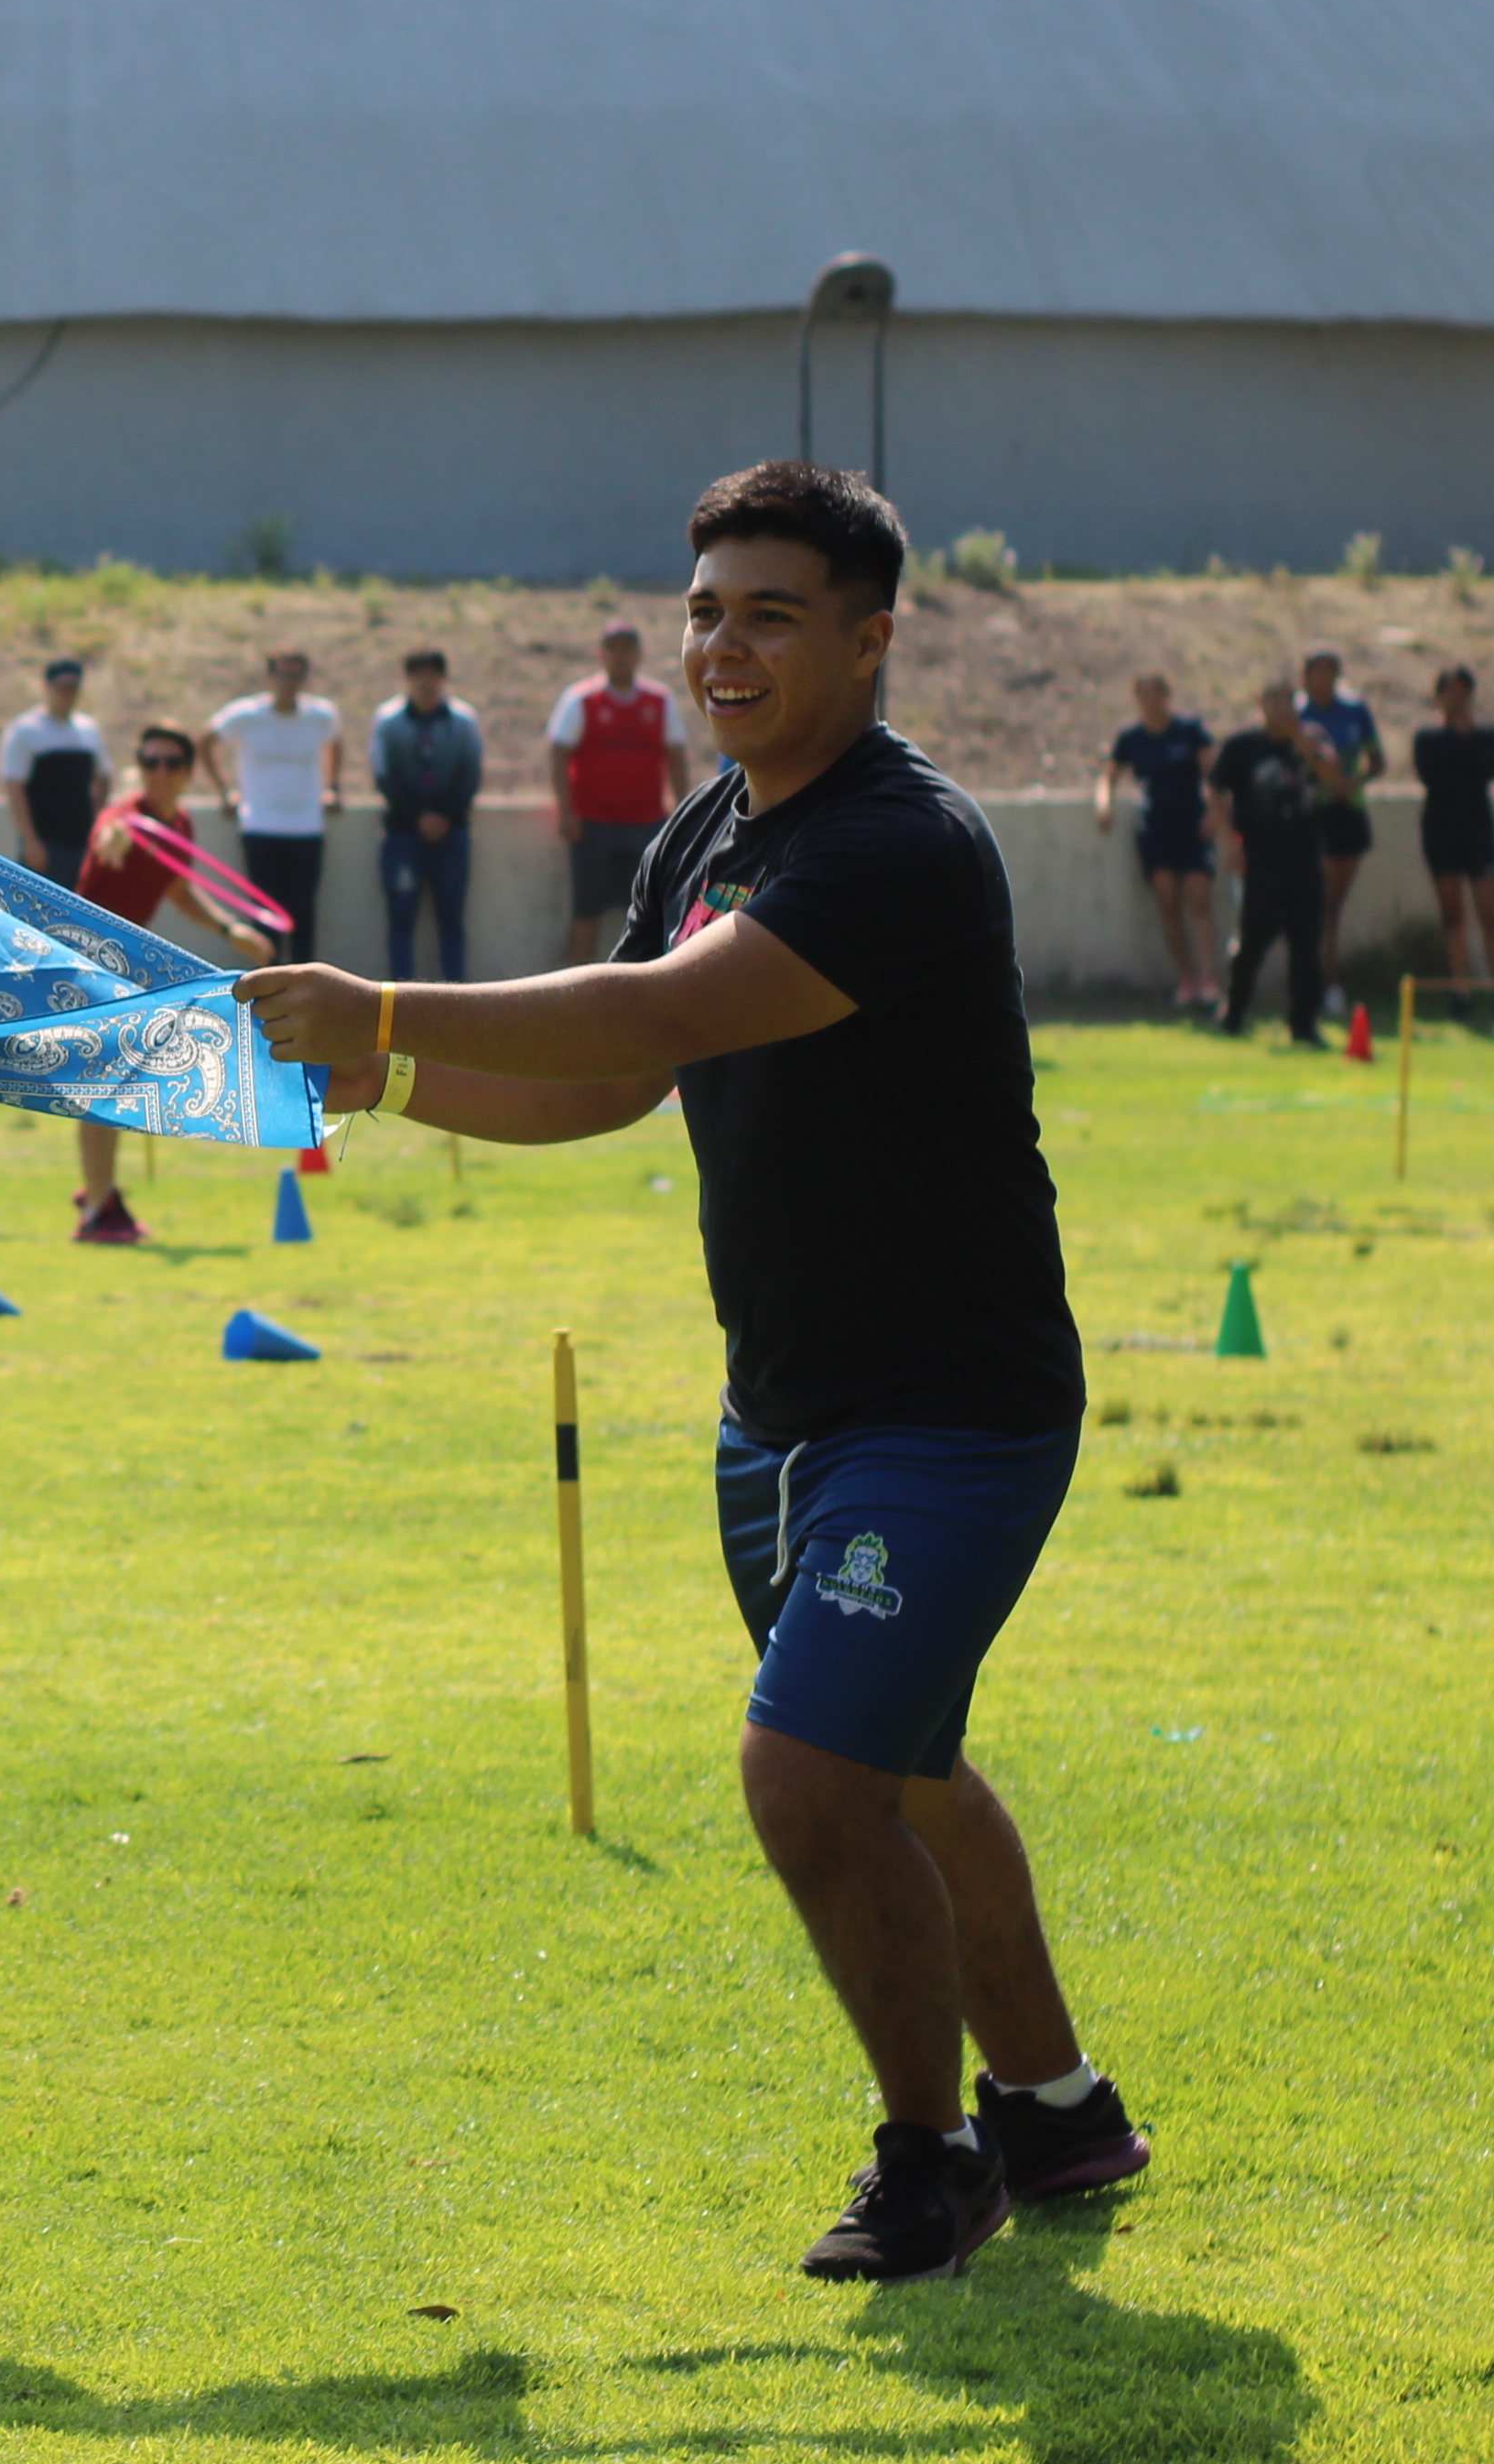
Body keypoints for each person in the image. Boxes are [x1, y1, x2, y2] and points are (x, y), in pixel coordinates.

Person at [236, 461, 1144, 2282]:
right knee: (902, 1771)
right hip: (780, 1416)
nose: (722, 645)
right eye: (706, 608)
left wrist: (395, 1005)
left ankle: (931, 2152)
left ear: (871, 639)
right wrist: (384, 1080)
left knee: (809, 1778)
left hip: (949, 1414)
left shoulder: (900, 843)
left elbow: (659, 1009)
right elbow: (613, 1080)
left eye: (771, 613)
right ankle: (1057, 2110)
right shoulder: (706, 830)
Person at [63, 726, 276, 1246]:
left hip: (122, 969)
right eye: (150, 760)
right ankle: (96, 1211)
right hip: (86, 963)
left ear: (187, 772)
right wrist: (111, 836)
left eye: (171, 762)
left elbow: (176, 890)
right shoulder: (124, 818)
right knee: (103, 1085)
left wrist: (230, 929)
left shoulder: (178, 824)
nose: (159, 771)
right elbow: (111, 835)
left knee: (113, 1085)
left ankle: (98, 1187)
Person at [546, 617, 704, 964]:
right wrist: (567, 812)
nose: (620, 658)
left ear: (638, 655)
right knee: (586, 915)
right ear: (601, 655)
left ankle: (646, 998)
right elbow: (558, 754)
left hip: (647, 826)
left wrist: (682, 815)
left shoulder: (659, 701)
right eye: (613, 650)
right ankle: (572, 1003)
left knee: (654, 918)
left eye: (627, 650)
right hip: (593, 826)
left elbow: (676, 757)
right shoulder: (582, 700)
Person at [1208, 674, 1332, 1047]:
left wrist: (1301, 742)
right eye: (1274, 700)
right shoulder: (1243, 746)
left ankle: (1304, 1024)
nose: (1282, 708)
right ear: (1261, 705)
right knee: (1252, 941)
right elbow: (1215, 789)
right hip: (1260, 859)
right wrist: (1229, 843)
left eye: (1288, 700)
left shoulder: (1312, 739)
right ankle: (1235, 1012)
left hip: (1305, 857)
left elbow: (1333, 777)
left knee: (1307, 945)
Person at [205, 643, 343, 957]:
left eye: (296, 675)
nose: (289, 682)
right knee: (264, 914)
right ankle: (268, 989)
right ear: (270, 676)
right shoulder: (247, 714)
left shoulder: (320, 715)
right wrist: (224, 790)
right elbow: (206, 741)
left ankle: (306, 990)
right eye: (283, 674)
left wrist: (331, 786)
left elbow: (335, 743)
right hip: (260, 825)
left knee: (303, 913)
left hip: (307, 826)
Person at [1094, 677, 1217, 1015]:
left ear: (1167, 696)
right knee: (1169, 903)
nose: (1151, 701)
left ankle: (1209, 979)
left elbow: (1212, 772)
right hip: (1156, 829)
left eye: (1156, 694)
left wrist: (1214, 810)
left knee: (1199, 897)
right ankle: (1187, 979)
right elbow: (1109, 775)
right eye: (1144, 695)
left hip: (1191, 826)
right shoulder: (1131, 737)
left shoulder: (1189, 730)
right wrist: (1104, 805)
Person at [369, 648, 485, 983]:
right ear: (408, 679)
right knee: (401, 918)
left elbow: (471, 773)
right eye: (418, 674)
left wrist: (446, 817)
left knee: (451, 918)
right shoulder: (390, 721)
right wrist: (418, 817)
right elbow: (384, 775)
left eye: (432, 674)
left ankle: (457, 997)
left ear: (443, 678)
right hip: (403, 835)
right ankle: (400, 1000)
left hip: (452, 835)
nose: (426, 682)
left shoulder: (463, 721)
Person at [1410, 665, 1494, 1024]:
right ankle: (1460, 991)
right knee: (1453, 916)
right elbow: (1430, 775)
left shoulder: (1485, 735)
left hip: (1478, 832)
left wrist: (1466, 738)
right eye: (1449, 692)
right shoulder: (1427, 738)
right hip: (1441, 832)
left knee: (1491, 916)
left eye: (1462, 692)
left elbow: (1486, 771)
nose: (1456, 699)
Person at [1297, 646, 1388, 947]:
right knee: (1320, 902)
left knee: (1332, 903)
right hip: (1313, 813)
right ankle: (1325, 977)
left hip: (1349, 810)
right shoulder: (1298, 714)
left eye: (1329, 670)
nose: (1323, 678)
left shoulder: (1354, 710)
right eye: (1317, 671)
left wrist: (1353, 782)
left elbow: (1377, 761)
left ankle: (1327, 975)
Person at [2, 657, 110, 881]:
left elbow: (103, 776)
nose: (67, 695)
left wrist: (99, 820)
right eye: (61, 689)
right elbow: (14, 787)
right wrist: (30, 841)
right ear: (47, 688)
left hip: (82, 841)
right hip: (46, 843)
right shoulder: (27, 731)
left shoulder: (88, 729)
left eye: (73, 689)